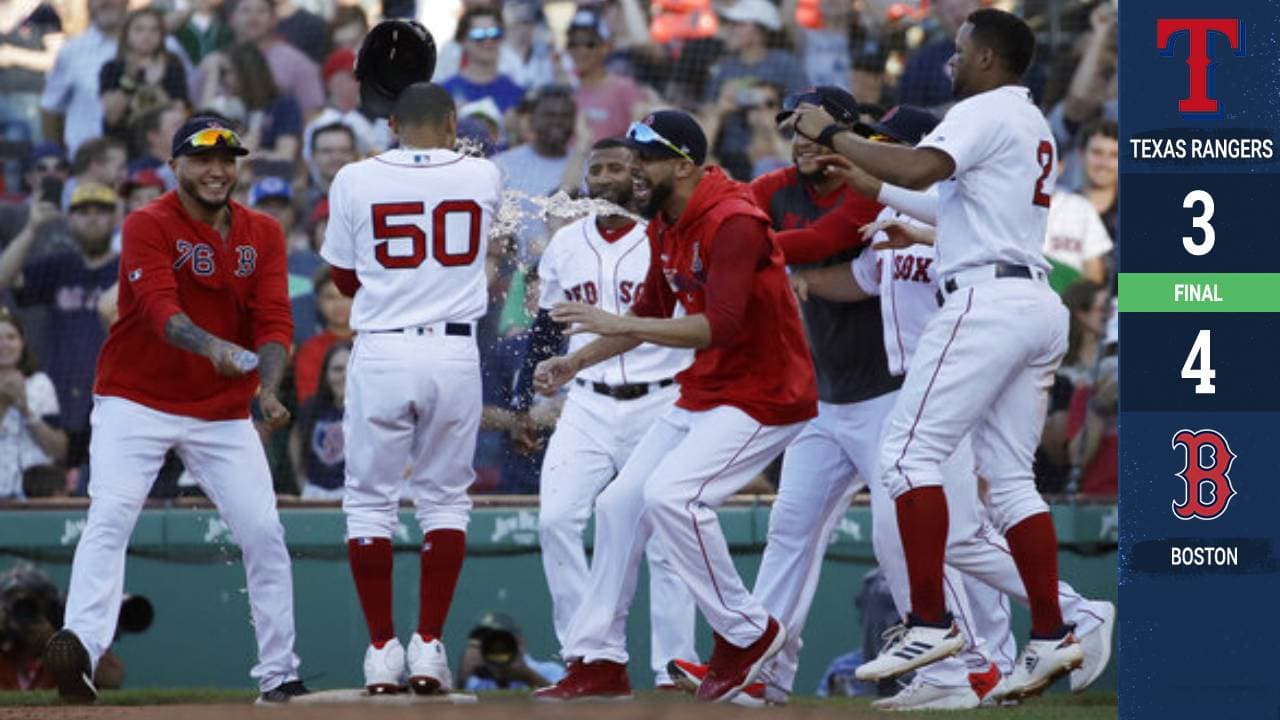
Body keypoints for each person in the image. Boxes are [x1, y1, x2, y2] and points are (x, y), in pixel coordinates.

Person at [791, 8, 1083, 698]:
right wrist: (866, 178)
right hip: (1033, 302)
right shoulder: (1027, 119)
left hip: (984, 301)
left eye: (958, 52)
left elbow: (923, 163)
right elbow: (946, 202)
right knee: (1010, 483)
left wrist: (836, 132)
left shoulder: (983, 111)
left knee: (903, 456)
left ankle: (930, 621)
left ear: (986, 58)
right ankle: (1051, 633)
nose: (949, 64)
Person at [531, 110, 817, 703]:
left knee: (674, 498)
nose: (633, 168)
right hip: (708, 390)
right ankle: (602, 659)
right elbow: (650, 320)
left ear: (683, 165)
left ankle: (746, 633)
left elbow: (721, 326)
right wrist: (574, 363)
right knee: (618, 506)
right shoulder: (667, 220)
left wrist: (613, 320)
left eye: (645, 156)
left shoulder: (732, 220)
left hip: (765, 393)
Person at [43, 116, 307, 704]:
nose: (216, 171)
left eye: (227, 159)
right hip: (136, 398)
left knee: (264, 530)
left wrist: (267, 387)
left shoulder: (262, 231)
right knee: (110, 516)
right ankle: (81, 650)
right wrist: (214, 347)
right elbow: (160, 310)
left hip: (220, 410)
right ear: (176, 165)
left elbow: (274, 320)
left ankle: (280, 672)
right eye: (202, 159)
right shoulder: (147, 222)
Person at [320, 82, 501, 695]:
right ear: (453, 121)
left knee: (369, 502)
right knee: (445, 502)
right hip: (453, 349)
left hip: (384, 346)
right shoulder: (483, 176)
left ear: (392, 124)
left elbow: (344, 280)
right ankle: (428, 648)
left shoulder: (354, 177)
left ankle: (381, 653)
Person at [520, 138, 697, 688]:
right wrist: (537, 393)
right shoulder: (566, 242)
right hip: (589, 400)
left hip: (664, 396)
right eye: (595, 169)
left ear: (638, 174)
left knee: (667, 539)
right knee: (556, 520)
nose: (603, 177)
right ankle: (588, 655)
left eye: (616, 167)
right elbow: (547, 324)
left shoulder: (666, 237)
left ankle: (673, 667)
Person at [0, 183, 121, 470]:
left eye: (101, 211)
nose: (92, 218)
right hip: (61, 396)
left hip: (113, 396)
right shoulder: (59, 265)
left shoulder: (127, 267)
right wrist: (31, 229)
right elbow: (4, 279)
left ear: (115, 219)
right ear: (70, 220)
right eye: (83, 212)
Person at [194, 0, 323, 117]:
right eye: (245, 10)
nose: (253, 17)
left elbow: (311, 117)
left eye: (261, 11)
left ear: (274, 19)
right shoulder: (213, 62)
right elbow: (195, 113)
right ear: (231, 19)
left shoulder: (298, 64)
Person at [41, 0, 127, 154]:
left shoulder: (167, 46)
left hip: (149, 170)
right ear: (88, 4)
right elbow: (51, 109)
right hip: (84, 165)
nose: (106, 3)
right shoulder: (72, 51)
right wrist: (60, 157)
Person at [0, 309, 66, 499]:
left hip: (37, 490)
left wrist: (27, 411)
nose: (4, 344)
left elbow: (59, 449)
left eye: (11, 337)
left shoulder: (40, 383)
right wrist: (4, 403)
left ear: (22, 343)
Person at [197, 42, 302, 161]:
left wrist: (247, 156)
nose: (223, 79)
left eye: (226, 72)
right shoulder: (230, 106)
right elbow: (202, 130)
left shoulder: (284, 105)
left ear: (245, 71)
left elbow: (285, 155)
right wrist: (212, 75)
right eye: (221, 73)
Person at [98, 8, 189, 144]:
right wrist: (129, 77)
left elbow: (180, 109)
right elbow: (112, 115)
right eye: (139, 29)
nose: (147, 36)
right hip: (123, 144)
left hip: (163, 145)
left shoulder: (173, 64)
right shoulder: (112, 68)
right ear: (126, 34)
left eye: (154, 30)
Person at [566, 8, 651, 144]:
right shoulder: (567, 90)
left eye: (589, 44)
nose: (580, 50)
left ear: (605, 47)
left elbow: (641, 135)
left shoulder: (623, 88)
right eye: (573, 44)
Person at [290, 340, 350, 500]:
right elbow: (296, 439)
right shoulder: (311, 408)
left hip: (356, 498)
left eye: (351, 369)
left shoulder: (371, 411)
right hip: (315, 495)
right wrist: (302, 482)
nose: (345, 376)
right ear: (326, 374)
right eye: (337, 369)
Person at [439, 8, 525, 117]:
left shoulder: (515, 92)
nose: (488, 40)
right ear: (462, 40)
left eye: (494, 33)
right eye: (478, 34)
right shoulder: (445, 93)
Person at [293, 267, 352, 404]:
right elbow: (308, 400)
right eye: (331, 297)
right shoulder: (310, 350)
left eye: (346, 296)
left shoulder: (373, 342)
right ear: (318, 302)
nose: (339, 304)